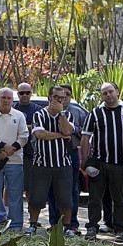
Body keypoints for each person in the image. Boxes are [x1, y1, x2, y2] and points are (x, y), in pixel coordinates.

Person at [82, 82, 123, 242]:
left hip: (120, 162)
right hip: (99, 162)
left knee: (120, 199)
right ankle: (92, 227)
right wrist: (84, 160)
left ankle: (120, 229)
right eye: (104, 93)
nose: (108, 95)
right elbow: (85, 137)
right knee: (94, 198)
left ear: (117, 91)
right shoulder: (95, 113)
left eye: (110, 92)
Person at [28, 86, 75, 232]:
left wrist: (61, 114)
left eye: (63, 98)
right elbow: (41, 135)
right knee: (36, 198)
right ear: (49, 98)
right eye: (56, 98)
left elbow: (67, 130)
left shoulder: (68, 115)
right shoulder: (39, 115)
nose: (60, 100)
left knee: (65, 199)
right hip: (42, 163)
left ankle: (66, 227)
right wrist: (61, 136)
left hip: (63, 163)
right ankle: (33, 225)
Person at [0, 87, 29, 231]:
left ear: (12, 100)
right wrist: (2, 147)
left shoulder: (20, 115)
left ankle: (15, 226)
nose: (6, 101)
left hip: (15, 161)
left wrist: (9, 150)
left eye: (9, 98)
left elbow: (24, 136)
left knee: (15, 194)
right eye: (3, 97)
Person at [48, 83, 88, 231]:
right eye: (59, 96)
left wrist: (72, 129)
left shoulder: (78, 112)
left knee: (72, 190)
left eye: (67, 95)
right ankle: (54, 223)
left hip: (71, 153)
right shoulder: (45, 113)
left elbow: (86, 132)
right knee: (52, 189)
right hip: (52, 155)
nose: (63, 99)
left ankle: (72, 223)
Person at [14, 83, 44, 211]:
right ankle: (7, 215)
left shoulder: (37, 109)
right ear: (18, 94)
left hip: (32, 152)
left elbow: (39, 128)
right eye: (22, 93)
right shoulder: (13, 107)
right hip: (13, 151)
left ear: (31, 93)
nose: (25, 95)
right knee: (10, 185)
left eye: (27, 92)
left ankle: (32, 216)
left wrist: (21, 127)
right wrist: (28, 127)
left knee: (31, 186)